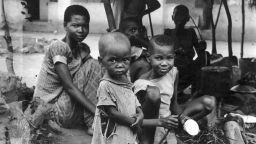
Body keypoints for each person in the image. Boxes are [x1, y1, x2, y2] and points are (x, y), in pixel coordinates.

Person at [28, 5, 102, 136]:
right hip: (51, 111)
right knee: (93, 65)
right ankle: (94, 121)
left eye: (85, 26)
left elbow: (94, 77)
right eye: (75, 25)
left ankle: (95, 120)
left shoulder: (82, 49)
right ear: (65, 25)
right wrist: (97, 111)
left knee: (98, 66)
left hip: (66, 110)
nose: (81, 30)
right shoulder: (58, 47)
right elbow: (69, 87)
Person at [133, 35, 216, 144]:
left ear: (174, 57)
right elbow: (136, 119)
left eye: (169, 58)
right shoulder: (142, 84)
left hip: (169, 122)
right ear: (149, 58)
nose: (164, 63)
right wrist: (162, 122)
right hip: (153, 127)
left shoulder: (173, 73)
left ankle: (180, 129)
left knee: (209, 102)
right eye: (159, 58)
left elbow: (173, 104)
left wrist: (182, 119)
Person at [91, 32, 144, 144]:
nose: (120, 65)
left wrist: (140, 113)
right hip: (115, 132)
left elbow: (133, 100)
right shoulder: (105, 85)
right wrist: (133, 122)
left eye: (125, 60)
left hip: (128, 128)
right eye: (113, 60)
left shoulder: (126, 80)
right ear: (101, 61)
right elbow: (112, 112)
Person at [164, 4, 207, 93]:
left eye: (182, 15)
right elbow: (163, 52)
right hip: (173, 66)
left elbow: (198, 53)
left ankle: (196, 90)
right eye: (177, 15)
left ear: (187, 19)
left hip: (189, 66)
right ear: (173, 17)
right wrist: (175, 52)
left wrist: (201, 47)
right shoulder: (168, 33)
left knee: (205, 56)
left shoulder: (191, 32)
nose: (180, 18)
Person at [119, 17, 151, 82]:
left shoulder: (135, 45)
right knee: (143, 64)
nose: (137, 33)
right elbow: (152, 50)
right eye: (132, 30)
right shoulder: (124, 47)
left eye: (139, 30)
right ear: (122, 33)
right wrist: (140, 40)